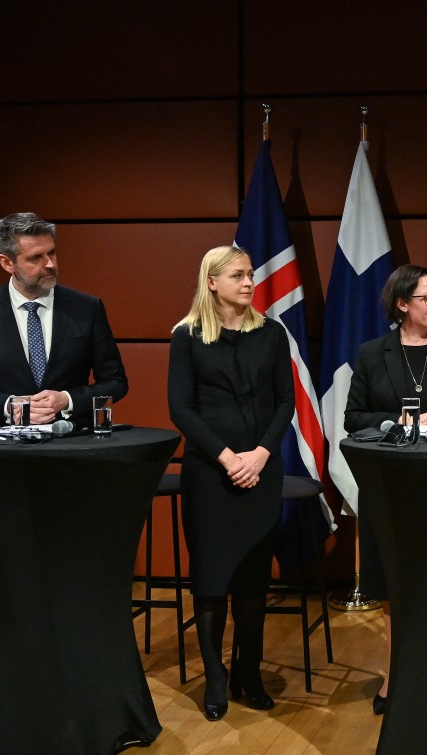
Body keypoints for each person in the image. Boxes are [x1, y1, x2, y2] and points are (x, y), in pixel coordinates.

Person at [343, 264, 427, 714]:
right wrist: (392, 423)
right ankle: (393, 675)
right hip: (390, 483)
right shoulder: (371, 353)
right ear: (402, 304)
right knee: (393, 582)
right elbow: (353, 418)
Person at [168, 245, 294, 722]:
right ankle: (216, 676)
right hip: (210, 471)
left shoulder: (272, 334)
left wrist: (260, 454)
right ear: (212, 282)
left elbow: (285, 401)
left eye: (250, 275)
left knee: (252, 578)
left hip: (261, 466)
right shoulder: (187, 337)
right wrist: (225, 458)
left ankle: (249, 671)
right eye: (238, 275)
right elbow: (181, 408)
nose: (248, 283)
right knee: (211, 576)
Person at [0, 212, 128, 426]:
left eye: (52, 253)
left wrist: (67, 400)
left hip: (73, 443)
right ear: (7, 262)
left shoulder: (86, 308)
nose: (50, 264)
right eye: (36, 257)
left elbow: (115, 382)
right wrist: (10, 406)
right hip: (4, 449)